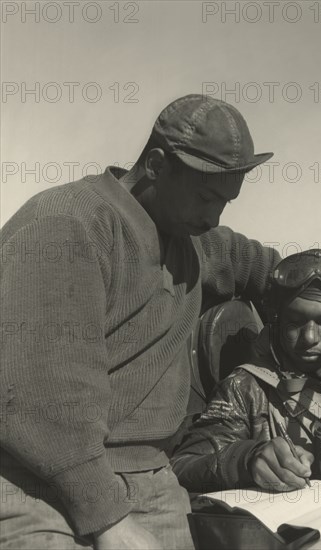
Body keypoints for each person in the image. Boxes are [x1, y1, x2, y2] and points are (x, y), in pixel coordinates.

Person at [0, 95, 280, 550]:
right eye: (207, 196)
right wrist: (108, 521)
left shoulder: (187, 237)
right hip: (38, 479)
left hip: (149, 477)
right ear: (155, 164)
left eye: (226, 202)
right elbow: (40, 397)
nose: (213, 217)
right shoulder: (67, 226)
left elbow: (257, 264)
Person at [172, 249, 321, 495]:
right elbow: (182, 465)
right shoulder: (246, 389)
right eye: (295, 321)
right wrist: (246, 459)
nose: (310, 337)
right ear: (277, 321)